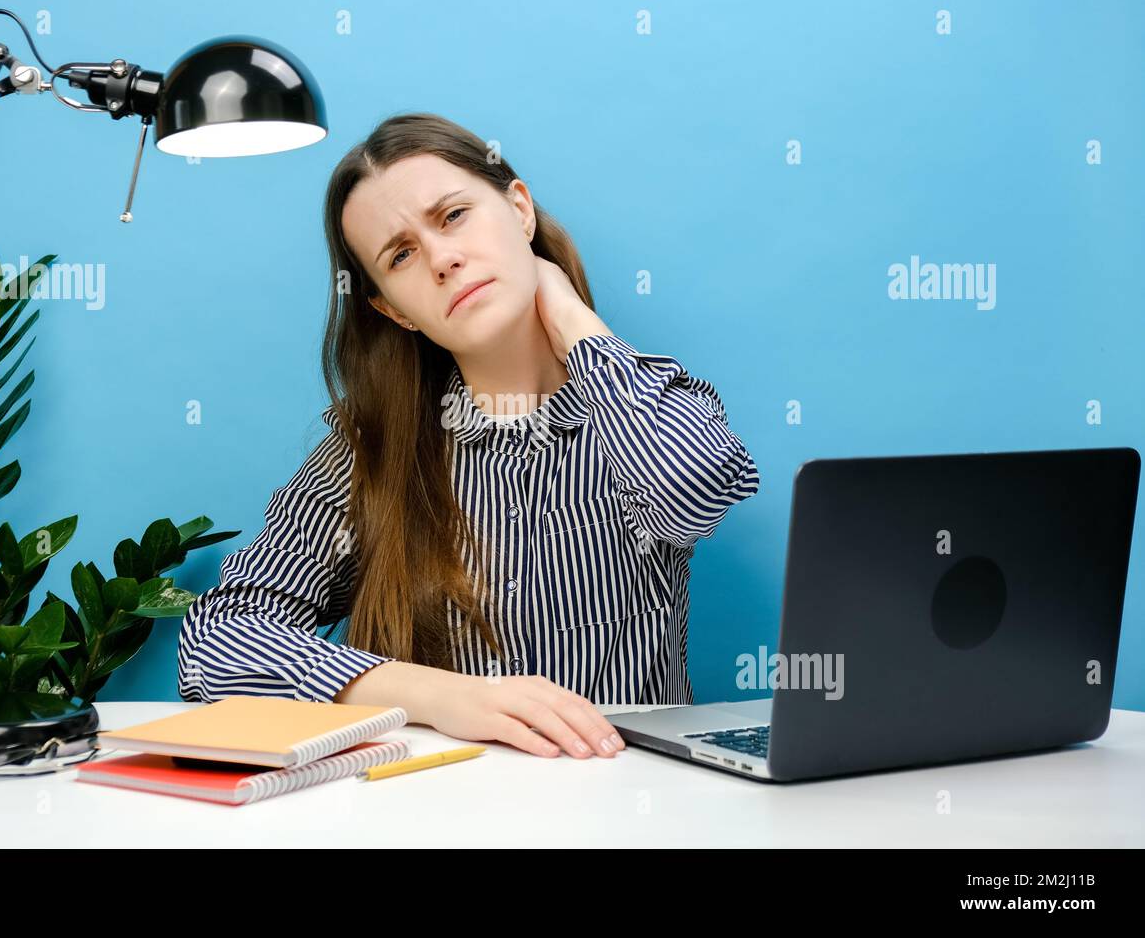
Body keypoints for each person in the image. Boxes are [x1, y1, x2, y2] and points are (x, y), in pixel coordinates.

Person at [177, 112, 760, 760]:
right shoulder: (368, 453)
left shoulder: (638, 407)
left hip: (631, 800)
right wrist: (440, 697)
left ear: (519, 209)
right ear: (393, 308)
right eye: (400, 254)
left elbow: (695, 487)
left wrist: (567, 312)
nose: (443, 259)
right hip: (440, 807)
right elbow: (215, 643)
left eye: (453, 216)